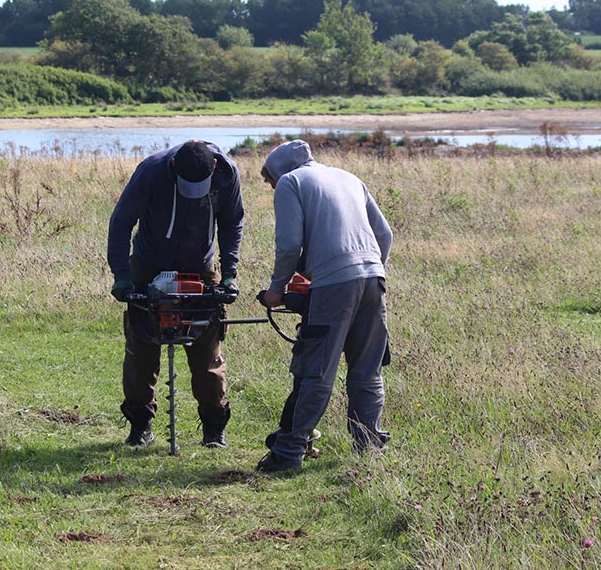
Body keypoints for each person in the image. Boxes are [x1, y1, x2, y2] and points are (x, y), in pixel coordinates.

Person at [255, 139, 392, 473]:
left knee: (316, 370)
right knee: (367, 371)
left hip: (335, 286)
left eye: (268, 181)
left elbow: (289, 244)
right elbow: (384, 234)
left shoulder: (290, 182)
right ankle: (368, 450)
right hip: (374, 278)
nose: (271, 187)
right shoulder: (348, 178)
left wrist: (276, 290)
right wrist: (369, 269)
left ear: (277, 172)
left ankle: (288, 454)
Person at [107, 140, 244, 449]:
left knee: (206, 350)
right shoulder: (151, 172)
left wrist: (230, 271)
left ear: (213, 170)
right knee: (141, 349)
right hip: (148, 263)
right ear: (173, 171)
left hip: (200, 266)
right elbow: (121, 222)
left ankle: (214, 427)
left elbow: (232, 220)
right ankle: (140, 424)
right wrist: (122, 276)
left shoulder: (226, 173)